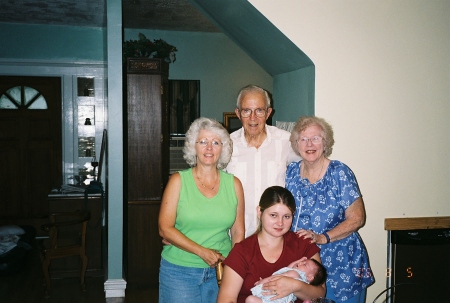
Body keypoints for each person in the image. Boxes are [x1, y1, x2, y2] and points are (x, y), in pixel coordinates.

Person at [285, 116, 375, 303]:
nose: (310, 143)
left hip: (343, 265)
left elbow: (357, 218)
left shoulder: (339, 172)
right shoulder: (290, 173)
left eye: (316, 138)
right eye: (303, 139)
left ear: (325, 143)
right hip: (306, 267)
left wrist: (322, 237)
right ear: (296, 144)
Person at [158, 117, 245, 302]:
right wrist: (203, 252)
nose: (209, 148)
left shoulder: (234, 184)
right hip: (179, 272)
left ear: (223, 148)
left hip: (221, 271)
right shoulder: (178, 181)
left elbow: (238, 231)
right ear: (193, 146)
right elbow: (164, 228)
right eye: (203, 142)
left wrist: (234, 266)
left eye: (215, 142)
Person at [217, 186, 326, 303]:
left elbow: (320, 293)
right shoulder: (242, 251)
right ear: (259, 212)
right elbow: (226, 299)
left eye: (286, 217)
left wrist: (295, 286)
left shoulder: (303, 243)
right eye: (273, 215)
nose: (280, 223)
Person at [226, 85, 300, 237]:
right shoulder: (227, 145)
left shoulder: (286, 141)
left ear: (268, 113)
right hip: (238, 236)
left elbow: (312, 163)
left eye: (259, 110)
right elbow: (204, 183)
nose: (253, 118)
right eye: (247, 111)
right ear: (238, 113)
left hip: (275, 237)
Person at [247, 257, 327, 303]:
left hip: (275, 299)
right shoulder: (294, 274)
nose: (301, 263)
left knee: (250, 299)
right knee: (250, 299)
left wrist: (262, 281)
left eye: (305, 264)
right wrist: (299, 261)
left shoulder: (294, 274)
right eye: (302, 261)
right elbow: (288, 268)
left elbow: (274, 278)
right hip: (272, 298)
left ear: (309, 277)